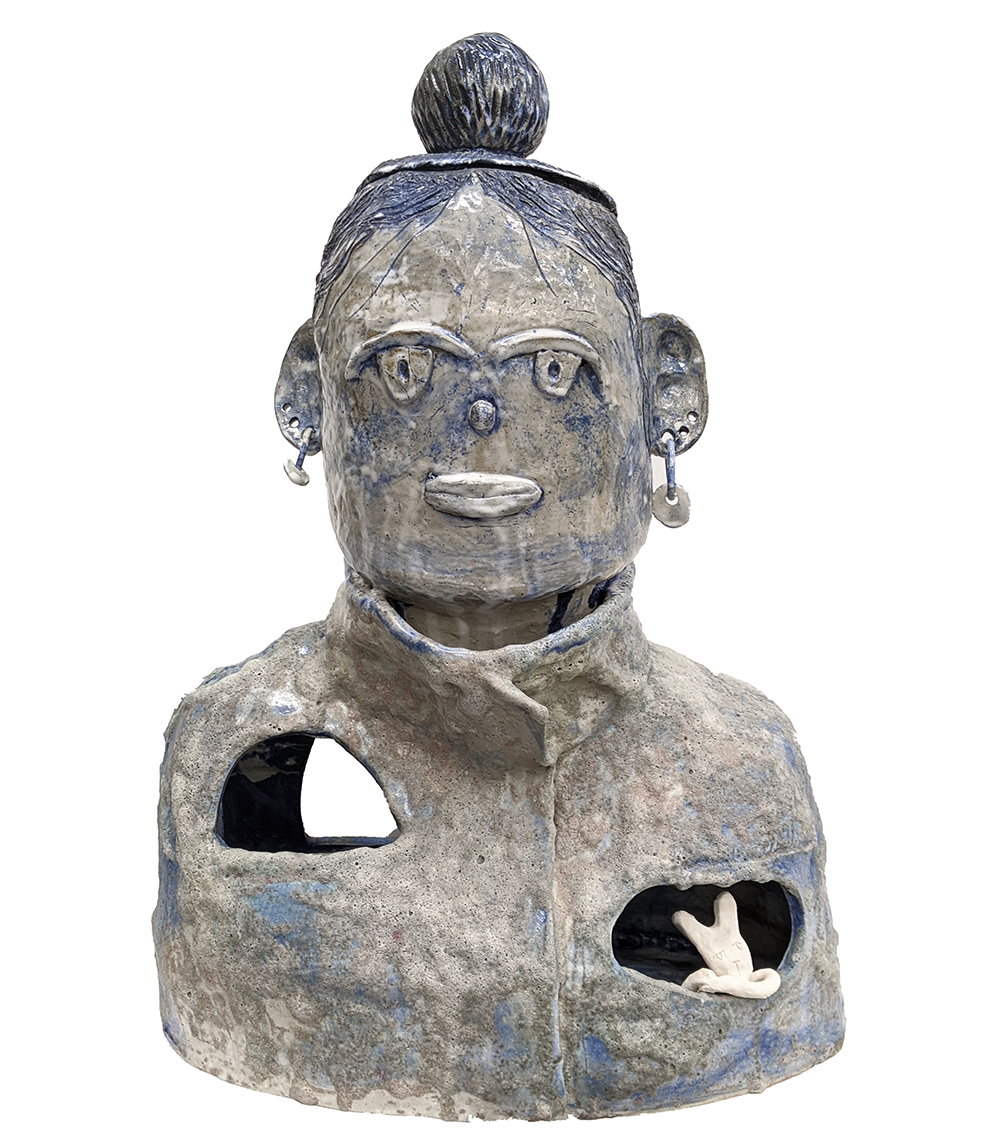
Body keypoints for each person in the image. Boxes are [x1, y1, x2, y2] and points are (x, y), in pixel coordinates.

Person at [155, 33, 843, 1120]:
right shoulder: (225, 749)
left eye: (554, 368)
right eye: (408, 367)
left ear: (666, 399)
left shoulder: (742, 761)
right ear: (308, 397)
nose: (482, 419)